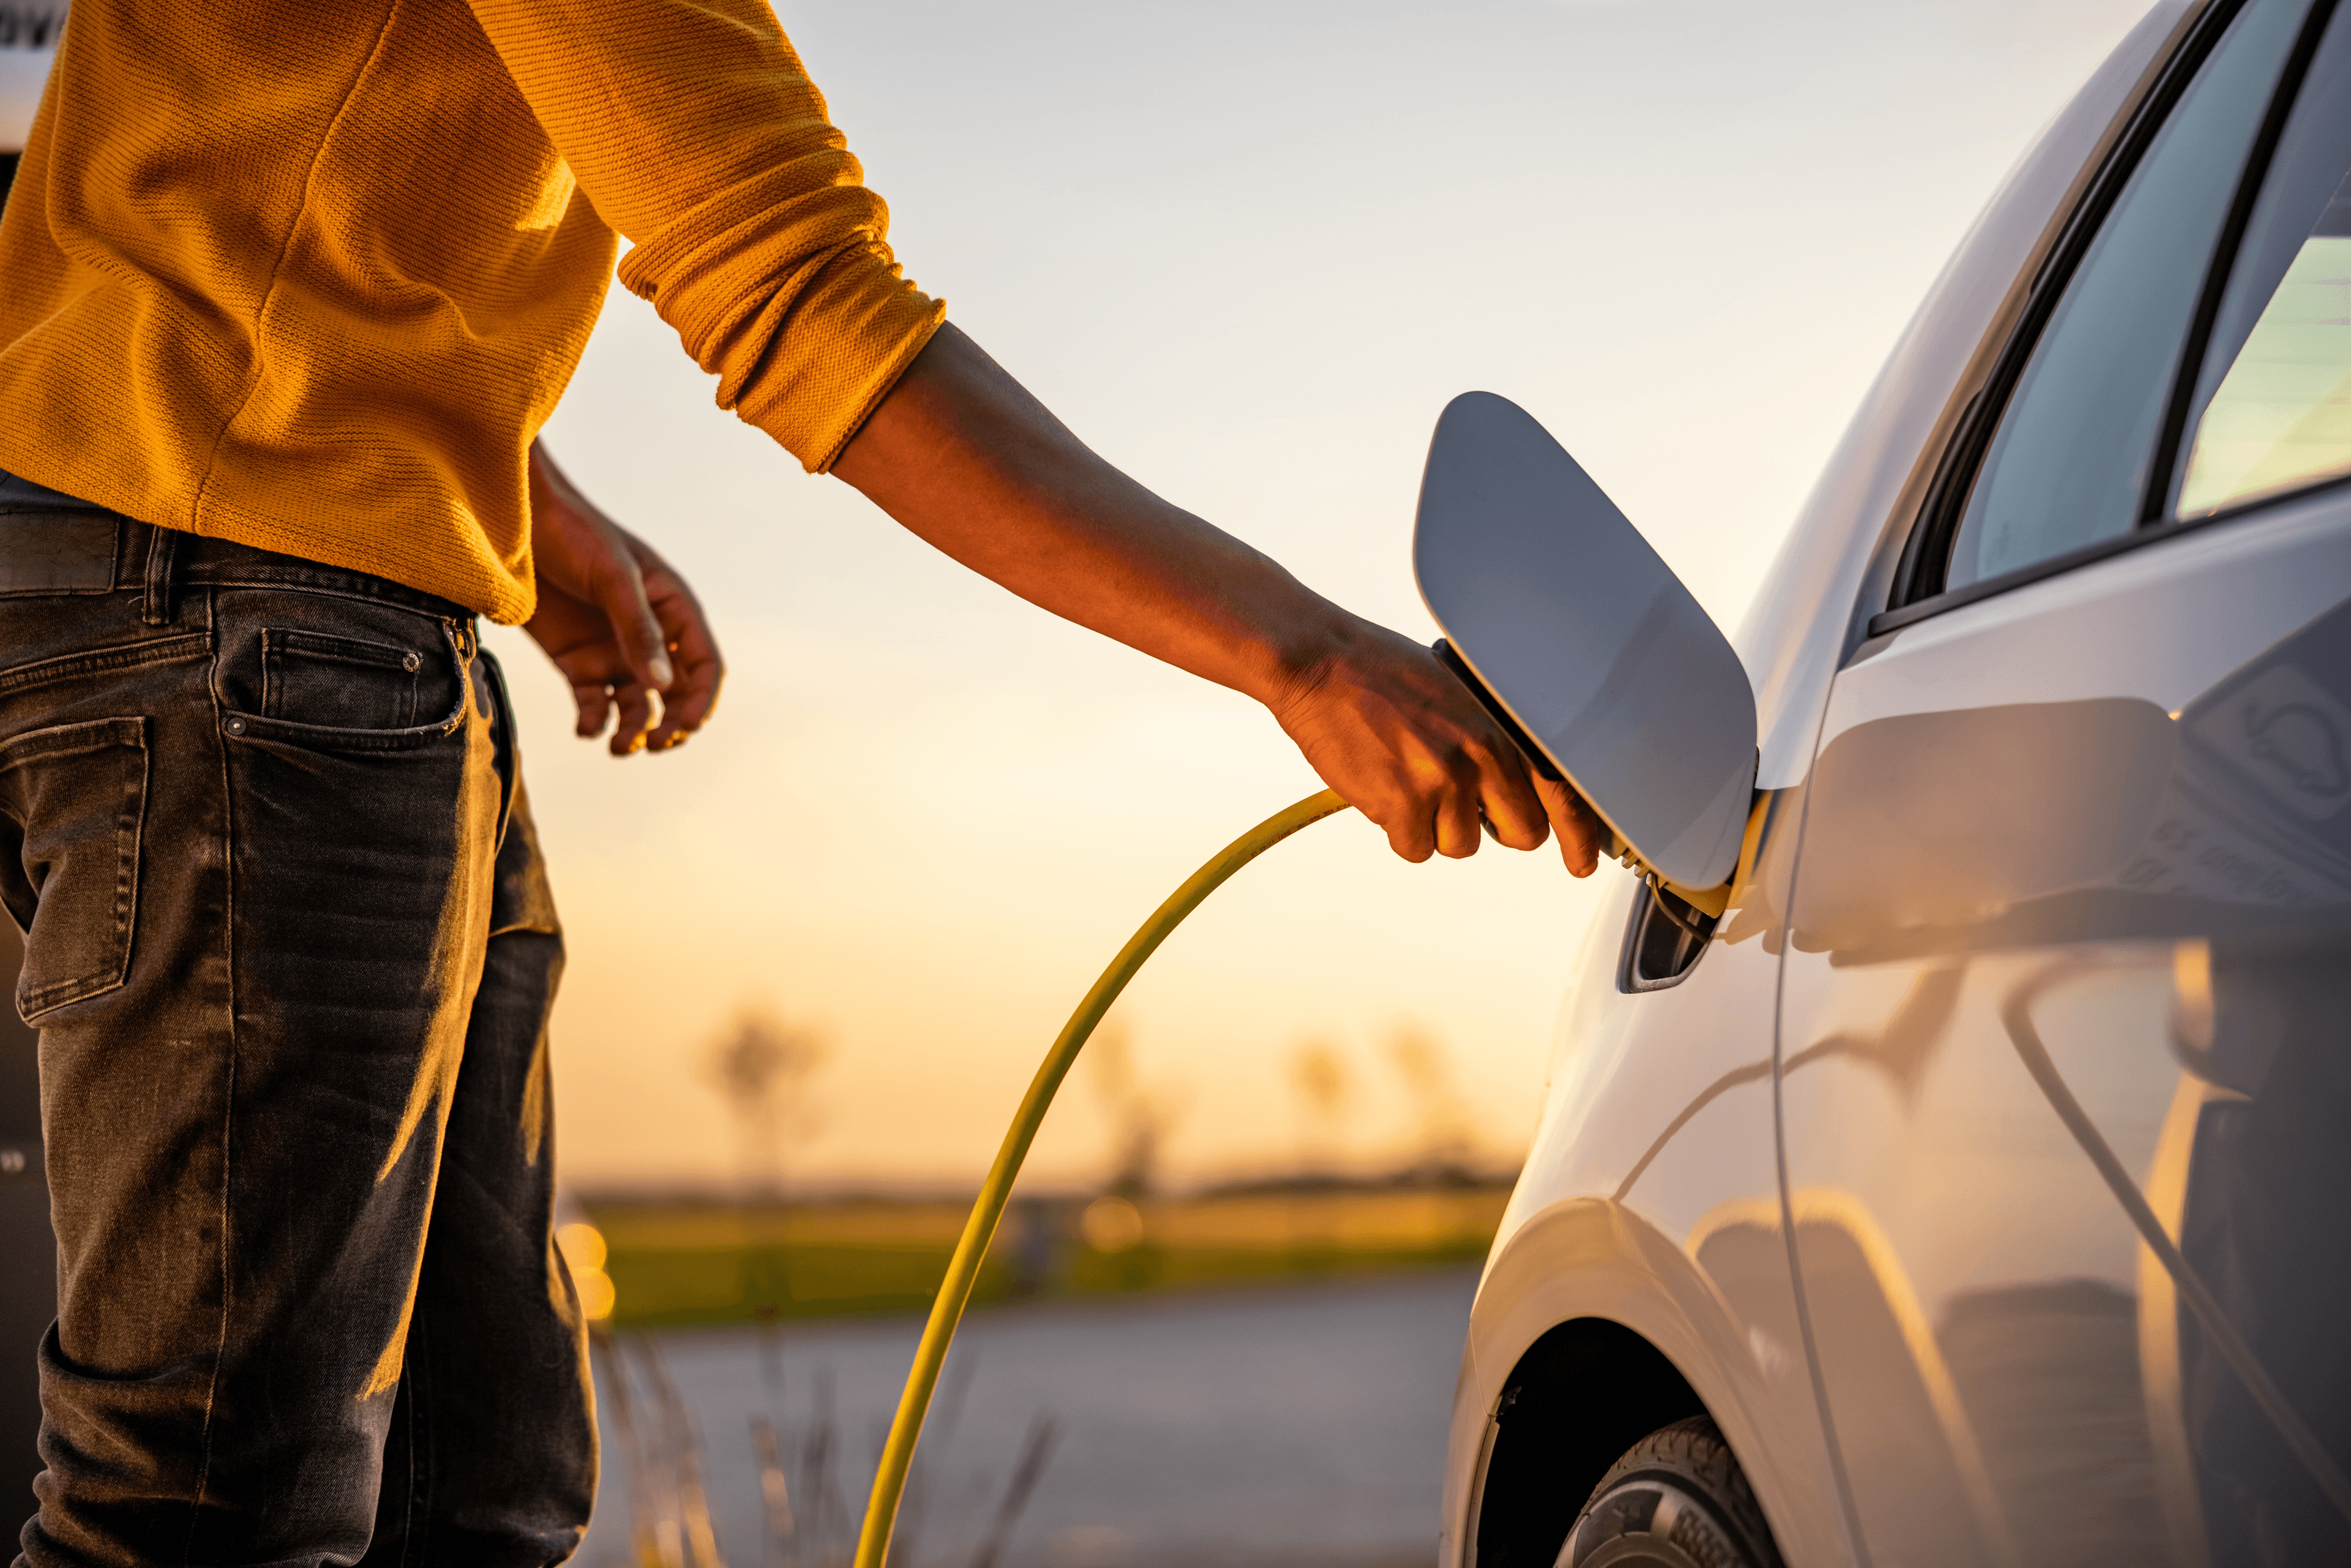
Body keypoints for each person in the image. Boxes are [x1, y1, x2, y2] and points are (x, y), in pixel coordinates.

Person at [0, 0, 1599, 1561]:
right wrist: (1303, 656)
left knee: (473, 1484)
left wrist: (507, 480)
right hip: (241, 622)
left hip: (272, 588)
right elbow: (798, 290)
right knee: (205, 1511)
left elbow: (231, 167)